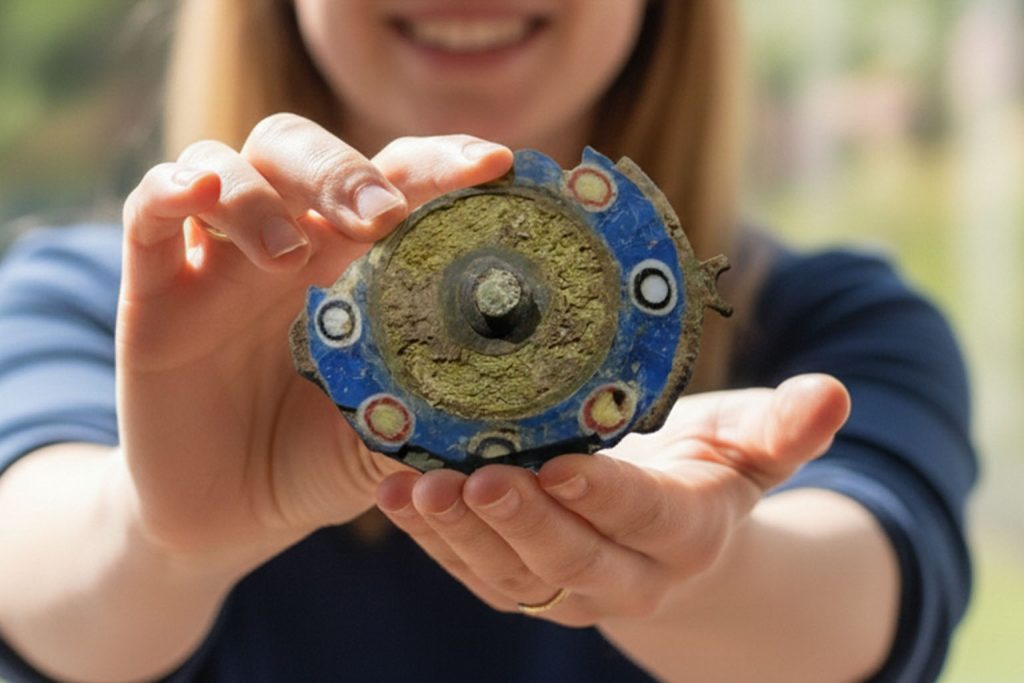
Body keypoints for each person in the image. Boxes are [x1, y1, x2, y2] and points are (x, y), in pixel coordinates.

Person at [0, 1, 975, 681]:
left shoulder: (837, 322)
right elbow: (37, 576)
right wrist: (159, 537)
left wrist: (695, 562)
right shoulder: (102, 302)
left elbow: (857, 600)